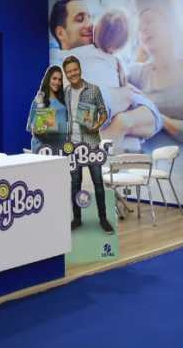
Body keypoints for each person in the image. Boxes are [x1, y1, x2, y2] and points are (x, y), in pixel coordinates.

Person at [50, 0, 161, 151]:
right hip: (90, 159)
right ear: (61, 33)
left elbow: (153, 118)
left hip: (128, 157)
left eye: (90, 17)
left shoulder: (109, 61)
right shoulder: (56, 66)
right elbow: (80, 114)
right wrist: (121, 97)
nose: (89, 25)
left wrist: (122, 123)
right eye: (80, 19)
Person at [61, 56, 113, 234]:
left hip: (92, 145)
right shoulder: (66, 92)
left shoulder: (94, 90)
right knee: (75, 183)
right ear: (66, 74)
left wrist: (97, 126)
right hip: (73, 146)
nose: (73, 73)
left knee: (98, 182)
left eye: (75, 69)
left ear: (80, 69)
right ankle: (77, 219)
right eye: (69, 71)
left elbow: (103, 112)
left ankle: (103, 219)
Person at [26, 66, 68, 151]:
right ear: (48, 79)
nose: (57, 82)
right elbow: (31, 127)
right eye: (54, 78)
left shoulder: (64, 100)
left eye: (60, 80)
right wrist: (40, 106)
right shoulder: (39, 100)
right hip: (43, 147)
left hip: (60, 147)